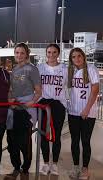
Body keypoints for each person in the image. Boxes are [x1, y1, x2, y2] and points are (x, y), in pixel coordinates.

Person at [7, 42, 42, 177]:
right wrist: (10, 99)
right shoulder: (14, 69)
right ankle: (16, 167)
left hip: (25, 110)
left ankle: (25, 169)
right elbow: (11, 89)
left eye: (22, 53)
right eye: (17, 52)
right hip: (13, 108)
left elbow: (38, 91)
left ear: (27, 54)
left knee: (24, 142)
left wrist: (31, 102)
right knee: (11, 142)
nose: (19, 55)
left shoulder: (32, 69)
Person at [67, 48, 99, 179]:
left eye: (79, 56)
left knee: (85, 141)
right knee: (74, 140)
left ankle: (85, 169)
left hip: (88, 112)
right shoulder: (71, 70)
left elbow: (95, 90)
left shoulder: (91, 68)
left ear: (83, 56)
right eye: (73, 57)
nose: (76, 59)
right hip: (73, 111)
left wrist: (87, 109)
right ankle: (75, 167)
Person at [37, 44, 67, 176]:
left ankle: (54, 163)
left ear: (58, 53)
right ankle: (45, 163)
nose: (51, 54)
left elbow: (69, 86)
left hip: (58, 104)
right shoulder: (40, 68)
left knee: (57, 135)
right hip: (43, 104)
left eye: (54, 52)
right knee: (43, 134)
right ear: (46, 53)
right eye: (49, 52)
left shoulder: (65, 69)